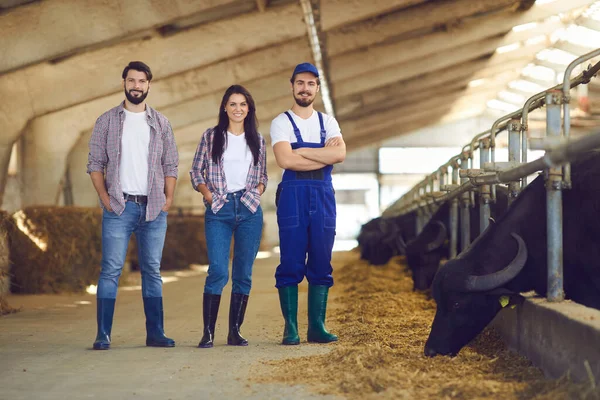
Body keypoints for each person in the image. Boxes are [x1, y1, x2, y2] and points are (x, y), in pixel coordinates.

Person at [87, 61, 179, 350]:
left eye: (142, 81)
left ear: (149, 85)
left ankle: (156, 333)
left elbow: (171, 164)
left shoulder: (162, 123)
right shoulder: (107, 121)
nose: (136, 85)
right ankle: (103, 334)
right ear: (124, 83)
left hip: (153, 208)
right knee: (111, 270)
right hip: (119, 206)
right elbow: (95, 164)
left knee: (152, 270)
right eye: (132, 80)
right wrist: (105, 200)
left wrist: (168, 200)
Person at [270, 62, 346, 345]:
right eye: (300, 83)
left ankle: (317, 327)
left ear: (317, 88)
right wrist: (320, 153)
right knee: (290, 259)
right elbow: (285, 160)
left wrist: (300, 150)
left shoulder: (328, 122)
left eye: (311, 84)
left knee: (321, 260)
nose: (305, 88)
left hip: (323, 196)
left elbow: (339, 156)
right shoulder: (281, 122)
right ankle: (290, 328)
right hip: (293, 196)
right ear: (292, 86)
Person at [190, 84, 267, 348]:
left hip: (249, 210)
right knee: (219, 271)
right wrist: (208, 195)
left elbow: (263, 176)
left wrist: (258, 191)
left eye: (243, 104)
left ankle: (234, 331)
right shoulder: (211, 137)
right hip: (219, 208)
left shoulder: (258, 139)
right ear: (225, 107)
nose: (238, 109)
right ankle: (208, 333)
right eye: (233, 104)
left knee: (243, 273)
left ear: (249, 109)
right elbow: (196, 172)